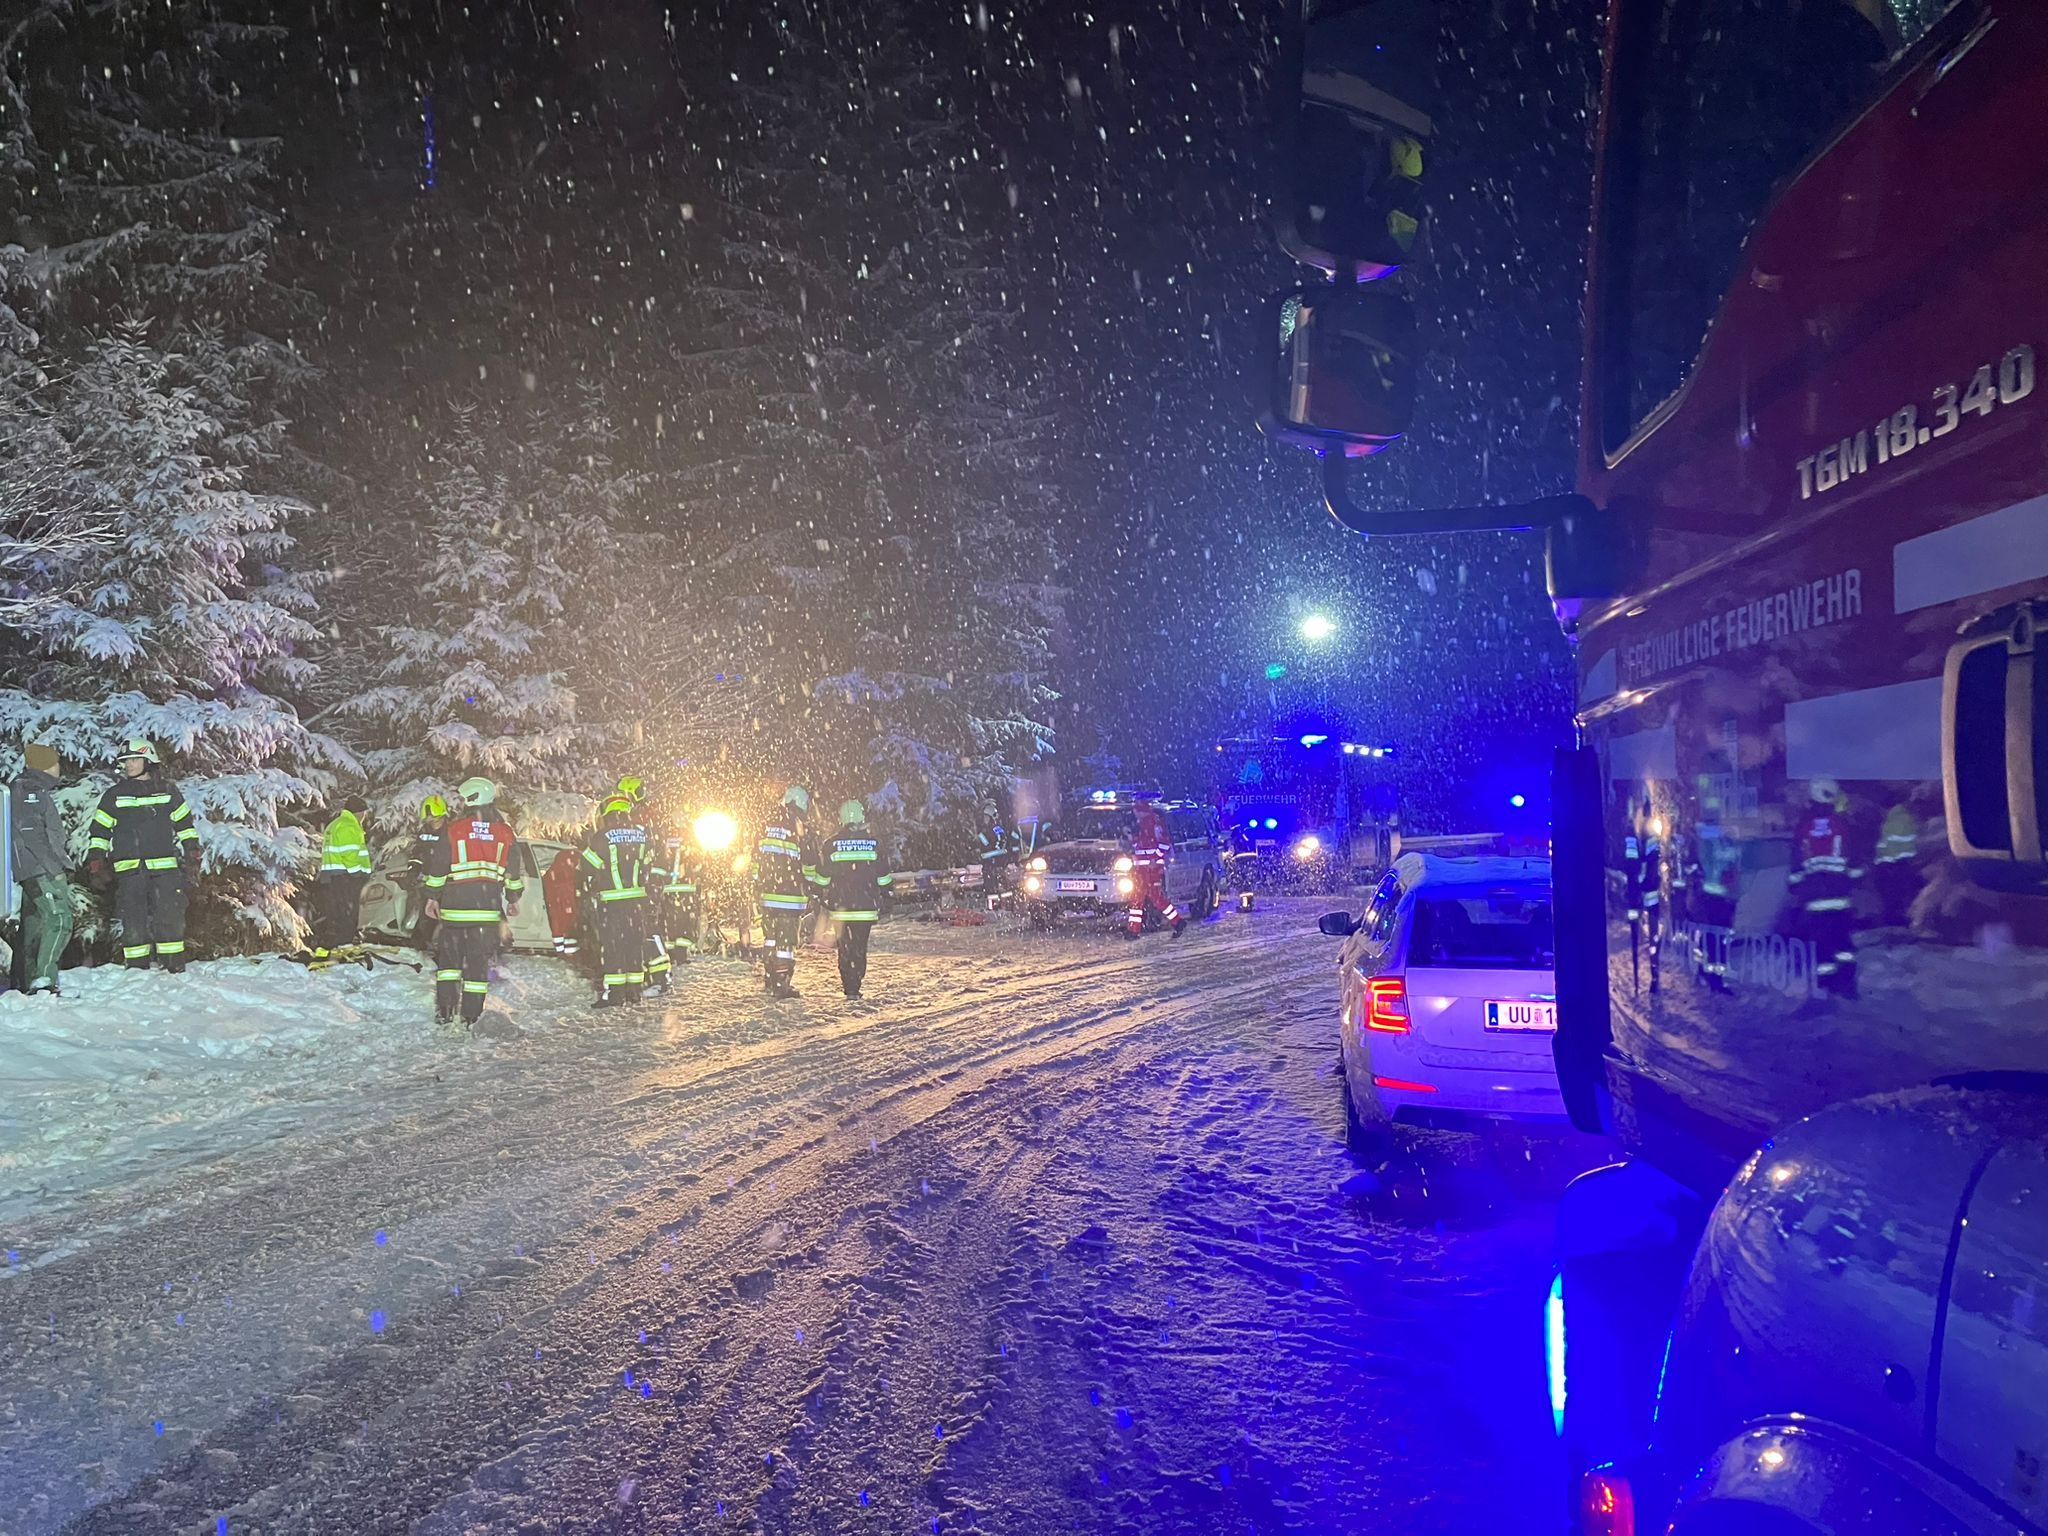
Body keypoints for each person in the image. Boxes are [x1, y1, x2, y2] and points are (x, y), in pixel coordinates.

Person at [86, 739, 198, 972]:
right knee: (133, 920)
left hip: (165, 871)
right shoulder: (114, 795)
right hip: (130, 870)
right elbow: (100, 830)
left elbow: (185, 825)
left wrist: (192, 853)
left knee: (169, 918)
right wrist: (96, 860)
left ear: (149, 762)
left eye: (134, 759)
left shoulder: (168, 791)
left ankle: (173, 967)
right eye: (126, 760)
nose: (128, 764)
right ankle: (137, 969)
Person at [422, 777, 524, 1025]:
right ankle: (471, 1016)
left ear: (469, 799)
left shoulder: (454, 830)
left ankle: (445, 1013)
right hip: (486, 915)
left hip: (455, 912)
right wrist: (512, 898)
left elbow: (438, 868)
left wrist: (432, 897)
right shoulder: (505, 833)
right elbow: (513, 873)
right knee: (477, 968)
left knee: (449, 966)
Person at [580, 794, 660, 1005]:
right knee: (634, 945)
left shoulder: (602, 837)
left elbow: (587, 866)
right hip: (636, 902)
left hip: (611, 902)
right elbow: (649, 864)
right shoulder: (641, 836)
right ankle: (634, 991)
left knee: (613, 947)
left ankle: (615, 994)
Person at [9, 742, 73, 997]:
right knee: (59, 919)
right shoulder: (30, 790)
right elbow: (31, 833)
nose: (59, 768)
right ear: (46, 766)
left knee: (34, 924)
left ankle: (26, 981)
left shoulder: (25, 788)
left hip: (31, 870)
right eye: (56, 763)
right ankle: (44, 979)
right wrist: (54, 868)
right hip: (40, 869)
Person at [814, 798, 893, 999]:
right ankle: (856, 983)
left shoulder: (831, 844)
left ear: (841, 819)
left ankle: (849, 985)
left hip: (841, 909)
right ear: (862, 817)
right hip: (866, 907)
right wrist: (887, 897)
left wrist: (818, 893)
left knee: (845, 947)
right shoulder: (874, 844)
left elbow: (822, 876)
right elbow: (884, 875)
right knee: (859, 947)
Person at [756, 786, 815, 998]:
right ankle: (782, 985)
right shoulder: (799, 827)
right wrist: (813, 885)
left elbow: (755, 859)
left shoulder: (766, 824)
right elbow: (809, 863)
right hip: (790, 896)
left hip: (768, 895)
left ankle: (770, 979)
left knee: (770, 938)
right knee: (785, 943)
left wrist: (758, 885)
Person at [311, 794, 372, 958]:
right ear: (358, 812)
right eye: (363, 812)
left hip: (332, 877)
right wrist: (358, 873)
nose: (365, 816)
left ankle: (332, 944)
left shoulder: (334, 825)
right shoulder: (349, 826)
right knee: (347, 915)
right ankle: (344, 946)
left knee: (335, 914)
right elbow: (349, 855)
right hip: (346, 877)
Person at [1125, 799, 1186, 939]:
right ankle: (1134, 930)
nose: (1135, 813)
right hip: (1142, 869)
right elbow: (1142, 845)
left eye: (1136, 810)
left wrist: (1155, 858)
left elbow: (1164, 844)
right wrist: (1133, 840)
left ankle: (1176, 922)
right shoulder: (1144, 824)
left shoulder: (1152, 824)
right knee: (1144, 898)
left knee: (1151, 898)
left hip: (1150, 870)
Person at [653, 822, 702, 965]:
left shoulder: (664, 842)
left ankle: (671, 955)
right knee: (684, 925)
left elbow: (659, 864)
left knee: (669, 924)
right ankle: (680, 955)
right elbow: (698, 866)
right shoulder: (692, 844)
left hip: (668, 890)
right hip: (686, 891)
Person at [407, 793, 451, 944]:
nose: (433, 823)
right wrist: (413, 868)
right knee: (426, 917)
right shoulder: (424, 832)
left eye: (436, 820)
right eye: (430, 820)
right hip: (428, 885)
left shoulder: (451, 832)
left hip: (447, 885)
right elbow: (418, 852)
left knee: (446, 919)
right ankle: (420, 945)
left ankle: (443, 947)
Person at [542, 843, 583, 963]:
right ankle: (570, 954)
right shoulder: (570, 877)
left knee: (558, 928)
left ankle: (560, 952)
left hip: (554, 908)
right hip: (567, 907)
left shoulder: (551, 875)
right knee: (569, 927)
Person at [974, 803, 1016, 901]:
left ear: (991, 818)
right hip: (994, 863)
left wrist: (980, 837)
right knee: (996, 886)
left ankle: (995, 906)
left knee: (992, 887)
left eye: (986, 817)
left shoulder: (995, 830)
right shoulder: (993, 829)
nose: (984, 819)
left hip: (993, 864)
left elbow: (994, 846)